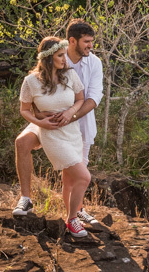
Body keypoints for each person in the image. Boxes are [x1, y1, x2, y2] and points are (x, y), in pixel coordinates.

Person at [11, 36, 92, 238]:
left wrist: (69, 113)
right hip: (47, 129)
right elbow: (25, 110)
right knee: (84, 176)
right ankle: (67, 217)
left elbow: (81, 99)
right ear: (48, 58)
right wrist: (40, 122)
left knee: (76, 177)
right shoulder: (30, 82)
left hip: (69, 129)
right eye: (60, 55)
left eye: (64, 54)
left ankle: (73, 215)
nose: (65, 59)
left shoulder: (70, 75)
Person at [58, 19, 104, 225]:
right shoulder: (57, 58)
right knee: (71, 172)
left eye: (91, 41)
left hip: (83, 125)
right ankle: (73, 215)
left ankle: (76, 211)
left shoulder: (94, 62)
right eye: (86, 41)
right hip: (57, 124)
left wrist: (72, 116)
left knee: (80, 168)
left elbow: (93, 98)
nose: (90, 46)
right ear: (72, 41)